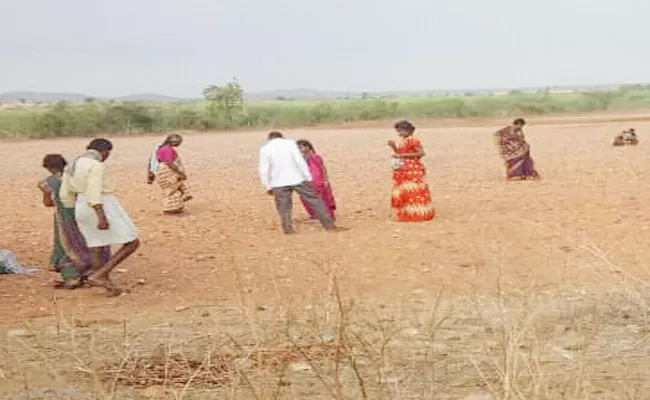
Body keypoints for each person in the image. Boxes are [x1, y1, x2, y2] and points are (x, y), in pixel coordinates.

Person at [60, 138, 141, 295]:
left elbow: (65, 193)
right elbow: (94, 191)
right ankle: (101, 274)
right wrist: (101, 216)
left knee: (96, 245)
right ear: (105, 152)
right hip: (100, 206)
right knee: (132, 241)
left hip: (81, 206)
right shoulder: (95, 165)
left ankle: (107, 286)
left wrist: (73, 213)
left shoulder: (72, 165)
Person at [37, 154, 110, 288]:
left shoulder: (49, 182)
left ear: (48, 168)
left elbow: (48, 203)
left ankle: (72, 277)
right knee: (90, 244)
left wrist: (46, 193)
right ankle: (93, 272)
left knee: (66, 246)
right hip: (86, 214)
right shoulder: (75, 177)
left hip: (65, 220)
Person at [258, 131, 346, 234]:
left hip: (278, 182)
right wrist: (308, 177)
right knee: (315, 201)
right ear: (282, 137)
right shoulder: (290, 143)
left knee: (284, 207)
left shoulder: (265, 149)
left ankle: (288, 229)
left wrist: (267, 186)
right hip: (297, 178)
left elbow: (263, 169)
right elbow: (299, 161)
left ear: (269, 139)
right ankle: (330, 226)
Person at [387, 120, 436, 222]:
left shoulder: (413, 140)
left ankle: (418, 214)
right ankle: (409, 214)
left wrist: (401, 155)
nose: (399, 133)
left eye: (401, 131)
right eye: (398, 131)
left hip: (412, 170)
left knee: (413, 192)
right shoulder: (405, 140)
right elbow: (401, 153)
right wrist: (394, 147)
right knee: (406, 192)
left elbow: (421, 153)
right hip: (405, 169)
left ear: (408, 130)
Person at [147, 134, 192, 214]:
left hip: (161, 171)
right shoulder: (168, 149)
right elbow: (169, 162)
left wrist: (150, 176)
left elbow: (151, 161)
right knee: (173, 190)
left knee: (172, 189)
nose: (179, 144)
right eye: (179, 142)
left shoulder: (159, 148)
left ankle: (176, 207)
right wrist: (180, 173)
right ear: (174, 142)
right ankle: (170, 208)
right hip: (167, 171)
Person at [296, 140, 336, 221]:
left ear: (307, 147)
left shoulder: (315, 157)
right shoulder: (300, 158)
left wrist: (326, 180)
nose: (298, 149)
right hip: (307, 182)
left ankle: (328, 216)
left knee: (323, 199)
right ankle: (316, 214)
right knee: (307, 199)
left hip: (318, 181)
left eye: (300, 147)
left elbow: (322, 168)